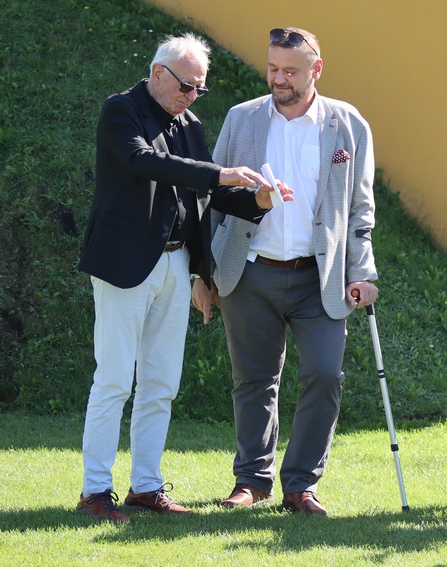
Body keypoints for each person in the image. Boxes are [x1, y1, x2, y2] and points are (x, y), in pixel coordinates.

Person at [77, 33, 283, 523]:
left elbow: (203, 194)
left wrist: (257, 200)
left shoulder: (188, 123)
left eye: (199, 89)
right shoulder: (121, 110)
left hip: (175, 262)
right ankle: (94, 492)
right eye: (186, 86)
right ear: (157, 73)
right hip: (124, 264)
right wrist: (220, 174)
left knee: (161, 383)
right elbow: (145, 162)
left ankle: (146, 487)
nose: (192, 96)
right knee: (114, 379)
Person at [193, 27, 378, 516]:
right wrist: (202, 273)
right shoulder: (242, 118)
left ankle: (301, 485)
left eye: (290, 71)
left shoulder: (347, 124)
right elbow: (212, 196)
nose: (279, 79)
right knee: (253, 380)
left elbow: (360, 209)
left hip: (322, 277)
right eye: (273, 68)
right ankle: (252, 480)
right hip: (249, 272)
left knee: (324, 374)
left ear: (317, 69)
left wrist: (363, 272)